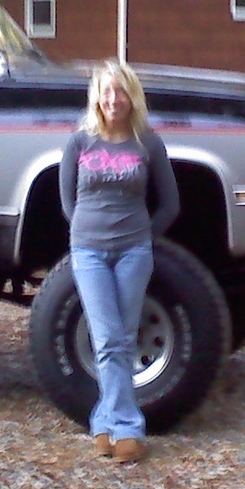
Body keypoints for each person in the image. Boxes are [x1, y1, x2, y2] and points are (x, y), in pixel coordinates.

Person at [58, 59, 180, 464]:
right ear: (97, 97)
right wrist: (87, 234)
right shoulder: (79, 143)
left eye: (121, 91)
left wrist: (143, 235)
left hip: (133, 251)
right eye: (107, 91)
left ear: (132, 97)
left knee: (123, 340)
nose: (114, 99)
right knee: (107, 338)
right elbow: (67, 203)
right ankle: (126, 426)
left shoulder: (148, 143)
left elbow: (170, 204)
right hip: (88, 252)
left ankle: (107, 424)